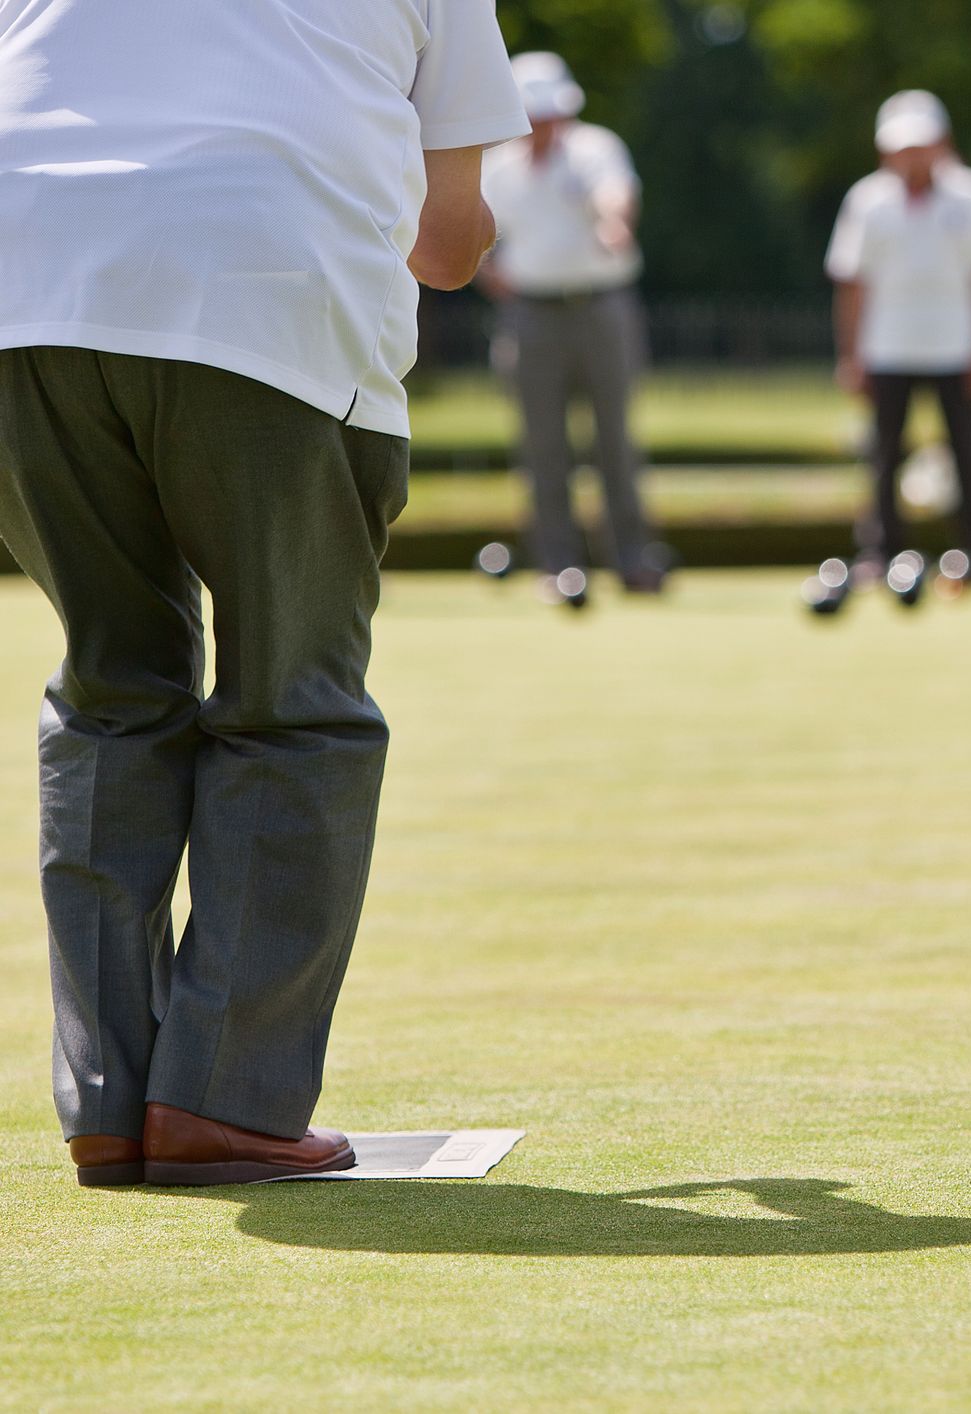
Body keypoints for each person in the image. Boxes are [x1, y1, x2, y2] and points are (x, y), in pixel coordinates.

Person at [0, 1, 527, 1187]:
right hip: (259, 278)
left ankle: (107, 1102)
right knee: (297, 702)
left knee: (111, 685)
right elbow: (447, 245)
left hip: (17, 291)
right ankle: (224, 1102)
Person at [479, 53, 662, 603]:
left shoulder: (595, 149)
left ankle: (633, 560)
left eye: (551, 113)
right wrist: (492, 278)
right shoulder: (497, 166)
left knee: (615, 438)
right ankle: (558, 566)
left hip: (601, 306)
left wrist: (613, 223)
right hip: (530, 314)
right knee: (542, 445)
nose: (543, 124)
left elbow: (616, 195)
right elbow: (477, 231)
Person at [826, 91, 971, 580]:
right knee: (884, 455)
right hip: (886, 346)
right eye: (901, 147)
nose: (911, 157)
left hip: (957, 345)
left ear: (942, 144)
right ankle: (880, 554)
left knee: (968, 453)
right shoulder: (866, 201)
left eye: (921, 145)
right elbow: (852, 282)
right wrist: (851, 354)